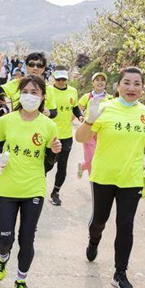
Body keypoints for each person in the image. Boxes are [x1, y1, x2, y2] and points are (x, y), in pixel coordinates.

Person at [75, 66, 145, 288]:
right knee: (100, 220)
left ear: (142, 88)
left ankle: (120, 273)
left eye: (137, 83)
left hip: (131, 179)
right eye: (126, 83)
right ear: (118, 86)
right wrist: (89, 120)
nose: (132, 88)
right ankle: (93, 240)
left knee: (125, 226)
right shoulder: (105, 109)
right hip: (103, 176)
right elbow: (81, 138)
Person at [0, 74, 61, 288]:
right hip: (8, 188)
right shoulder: (7, 120)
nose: (30, 96)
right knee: (5, 238)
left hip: (34, 188)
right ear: (20, 94)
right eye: (26, 91)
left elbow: (48, 165)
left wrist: (53, 152)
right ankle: (2, 257)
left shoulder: (49, 126)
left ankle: (21, 281)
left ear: (42, 97)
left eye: (35, 92)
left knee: (27, 239)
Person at [45, 66, 84, 205]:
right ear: (54, 78)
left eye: (64, 79)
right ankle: (37, 187)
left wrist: (80, 115)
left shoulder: (73, 91)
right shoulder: (49, 90)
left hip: (66, 135)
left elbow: (75, 107)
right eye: (58, 79)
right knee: (47, 165)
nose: (61, 81)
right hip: (50, 135)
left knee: (62, 167)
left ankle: (55, 192)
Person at [0, 52, 57, 118]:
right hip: (18, 125)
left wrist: (49, 112)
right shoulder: (16, 84)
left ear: (43, 69)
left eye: (39, 65)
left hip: (39, 126)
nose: (35, 68)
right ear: (26, 67)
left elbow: (54, 112)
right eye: (32, 64)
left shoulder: (48, 89)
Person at [77, 72, 112, 179]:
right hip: (89, 131)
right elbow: (77, 109)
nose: (100, 82)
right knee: (91, 158)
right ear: (93, 83)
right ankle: (94, 182)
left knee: (100, 158)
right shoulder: (86, 97)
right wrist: (81, 117)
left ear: (106, 83)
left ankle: (83, 166)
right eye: (97, 79)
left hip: (103, 132)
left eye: (103, 80)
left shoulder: (110, 99)